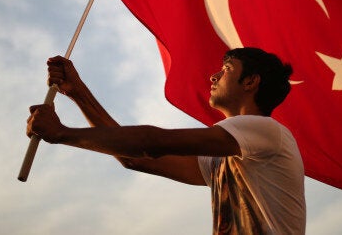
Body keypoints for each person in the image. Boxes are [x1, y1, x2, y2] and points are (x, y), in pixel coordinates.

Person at [26, 47, 306, 234]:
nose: (214, 75)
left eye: (227, 69)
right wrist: (78, 93)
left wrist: (62, 133)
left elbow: (152, 142)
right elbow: (134, 157)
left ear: (250, 82)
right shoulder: (226, 157)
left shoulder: (266, 131)